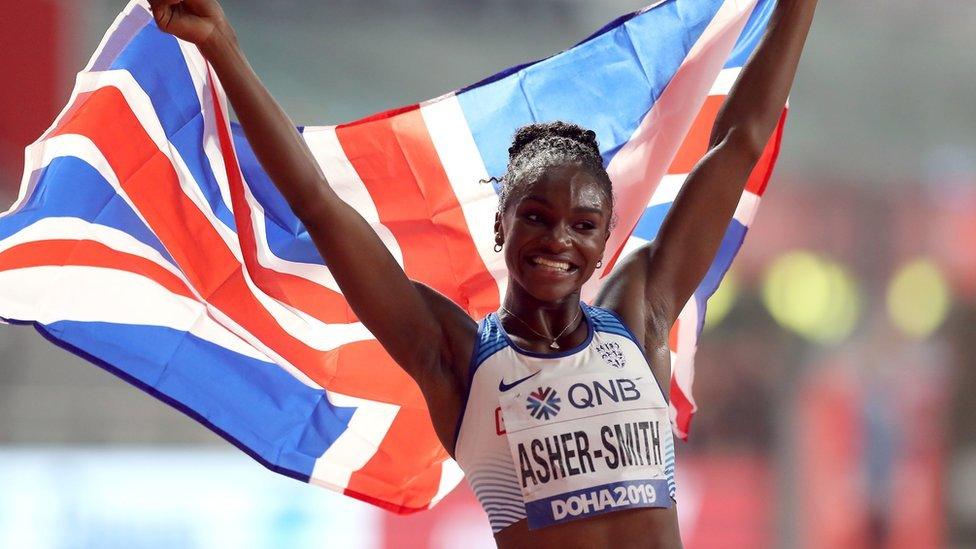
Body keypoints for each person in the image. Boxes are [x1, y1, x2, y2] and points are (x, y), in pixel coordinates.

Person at [148, 0, 817, 546]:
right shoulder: (459, 358)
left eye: (583, 225)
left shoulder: (643, 312)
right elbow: (321, 207)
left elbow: (741, 140)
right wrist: (223, 48)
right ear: (502, 226)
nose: (559, 239)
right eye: (537, 216)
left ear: (603, 237)